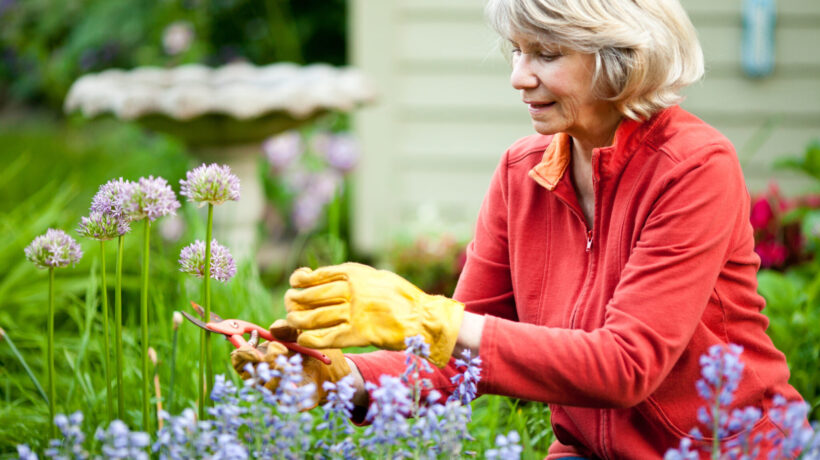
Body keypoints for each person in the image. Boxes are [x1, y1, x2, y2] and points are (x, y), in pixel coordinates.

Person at [232, 0, 806, 457]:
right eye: (516, 51)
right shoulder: (522, 172)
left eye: (546, 53)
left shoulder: (694, 167)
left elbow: (626, 366)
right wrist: (338, 378)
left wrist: (430, 317)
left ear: (621, 57)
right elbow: (458, 356)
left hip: (725, 450)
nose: (517, 76)